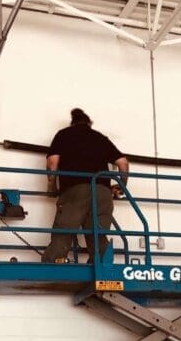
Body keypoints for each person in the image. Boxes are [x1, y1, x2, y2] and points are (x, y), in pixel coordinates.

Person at [40, 108, 129, 264]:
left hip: (75, 189)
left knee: (64, 231)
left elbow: (53, 162)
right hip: (102, 191)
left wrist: (52, 187)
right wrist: (122, 186)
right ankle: (102, 264)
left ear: (72, 122)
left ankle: (54, 263)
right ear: (89, 124)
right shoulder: (100, 138)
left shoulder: (63, 135)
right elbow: (123, 163)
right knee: (98, 233)